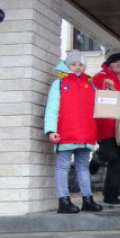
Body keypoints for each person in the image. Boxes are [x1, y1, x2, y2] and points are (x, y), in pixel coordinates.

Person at [44, 50, 103, 213]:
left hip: (86, 135)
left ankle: (87, 199)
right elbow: (52, 109)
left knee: (83, 166)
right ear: (67, 65)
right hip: (65, 132)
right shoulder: (60, 84)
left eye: (80, 64)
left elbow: (100, 107)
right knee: (63, 166)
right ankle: (63, 201)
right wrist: (50, 130)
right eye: (74, 64)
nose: (77, 67)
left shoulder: (90, 84)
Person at [90, 52, 120, 207]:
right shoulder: (100, 77)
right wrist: (116, 108)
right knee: (110, 153)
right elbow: (97, 98)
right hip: (107, 125)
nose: (119, 64)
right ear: (109, 64)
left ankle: (111, 196)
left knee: (119, 163)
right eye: (115, 62)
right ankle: (98, 157)